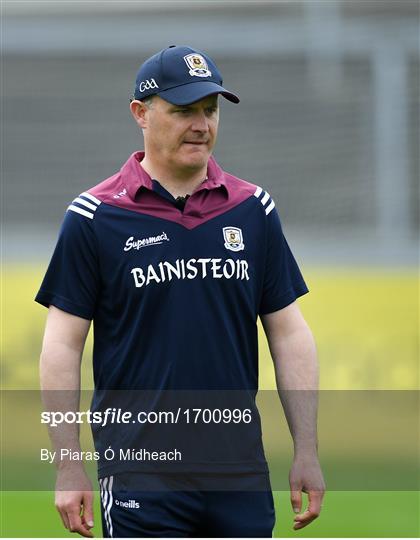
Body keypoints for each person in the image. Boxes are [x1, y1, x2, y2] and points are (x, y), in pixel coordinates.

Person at [37, 45, 325, 538]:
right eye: (184, 110)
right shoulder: (94, 217)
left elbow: (289, 334)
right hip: (139, 473)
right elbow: (61, 347)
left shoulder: (253, 209)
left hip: (239, 473)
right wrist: (68, 464)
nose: (201, 124)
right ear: (141, 115)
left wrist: (307, 450)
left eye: (210, 110)